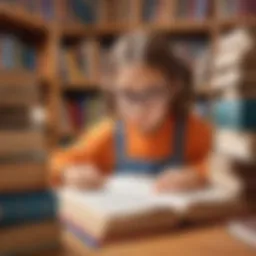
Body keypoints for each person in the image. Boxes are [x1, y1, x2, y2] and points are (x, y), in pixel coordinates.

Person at [51, 31, 212, 192]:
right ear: (112, 90)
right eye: (128, 94)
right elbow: (56, 162)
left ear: (174, 88)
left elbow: (226, 163)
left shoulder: (193, 130)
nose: (139, 108)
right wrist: (68, 172)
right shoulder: (108, 134)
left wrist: (198, 174)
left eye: (153, 92)